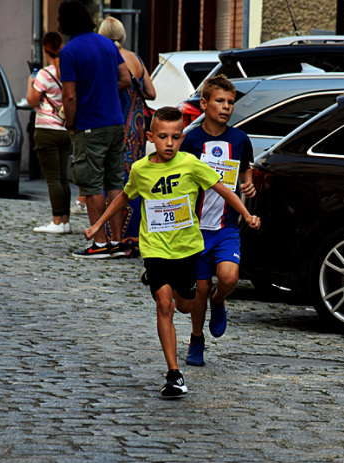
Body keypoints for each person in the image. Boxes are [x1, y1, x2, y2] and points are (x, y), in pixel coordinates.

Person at [82, 107, 261, 397]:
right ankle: (174, 373)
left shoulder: (191, 164)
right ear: (150, 137)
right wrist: (97, 225)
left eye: (176, 137)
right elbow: (124, 197)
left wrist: (246, 215)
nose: (169, 143)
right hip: (154, 249)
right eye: (163, 136)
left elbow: (223, 189)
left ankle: (215, 304)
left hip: (187, 248)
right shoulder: (141, 169)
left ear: (182, 138)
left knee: (185, 306)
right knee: (164, 304)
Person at [179, 76, 256, 367]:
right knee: (198, 288)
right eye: (219, 101)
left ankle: (219, 300)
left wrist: (248, 185)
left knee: (228, 278)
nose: (225, 107)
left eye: (230, 103)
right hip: (196, 228)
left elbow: (245, 172)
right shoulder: (191, 139)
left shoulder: (239, 139)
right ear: (204, 103)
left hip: (226, 226)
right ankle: (196, 341)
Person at [58, 0, 132, 259]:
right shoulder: (108, 45)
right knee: (114, 183)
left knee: (91, 185)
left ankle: (99, 244)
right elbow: (125, 79)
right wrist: (106, 90)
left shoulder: (69, 51)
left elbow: (69, 97)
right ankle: (117, 242)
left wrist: (69, 124)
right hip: (115, 122)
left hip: (89, 125)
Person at [99, 16, 157, 258]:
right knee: (136, 178)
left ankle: (118, 239)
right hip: (138, 125)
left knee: (115, 181)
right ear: (122, 35)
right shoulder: (136, 58)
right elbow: (152, 94)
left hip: (117, 123)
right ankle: (135, 239)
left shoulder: (109, 58)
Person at [27, 31, 72, 234]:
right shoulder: (70, 71)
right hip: (65, 129)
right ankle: (66, 221)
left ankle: (56, 222)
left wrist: (31, 82)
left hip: (46, 129)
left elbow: (32, 101)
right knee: (63, 178)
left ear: (45, 50)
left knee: (53, 178)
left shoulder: (44, 74)